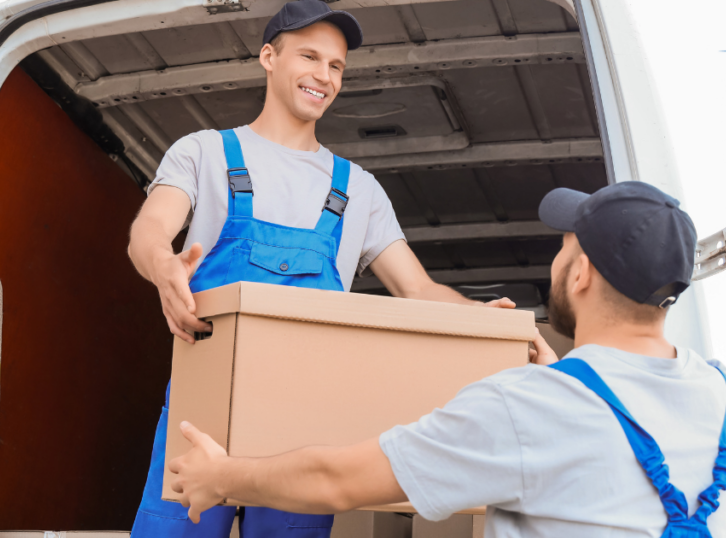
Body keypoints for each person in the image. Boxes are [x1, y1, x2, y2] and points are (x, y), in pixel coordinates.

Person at [167, 182, 726, 537]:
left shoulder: (528, 407)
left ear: (580, 273)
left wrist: (221, 477)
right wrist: (569, 381)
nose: (556, 260)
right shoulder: (724, 394)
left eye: (564, 247)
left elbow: (337, 480)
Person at [126, 2, 513, 537]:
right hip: (203, 416)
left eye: (336, 67)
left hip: (305, 429)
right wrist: (163, 267)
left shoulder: (358, 189)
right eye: (309, 56)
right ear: (269, 56)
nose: (324, 76)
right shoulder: (205, 153)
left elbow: (417, 287)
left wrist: (486, 322)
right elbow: (149, 230)